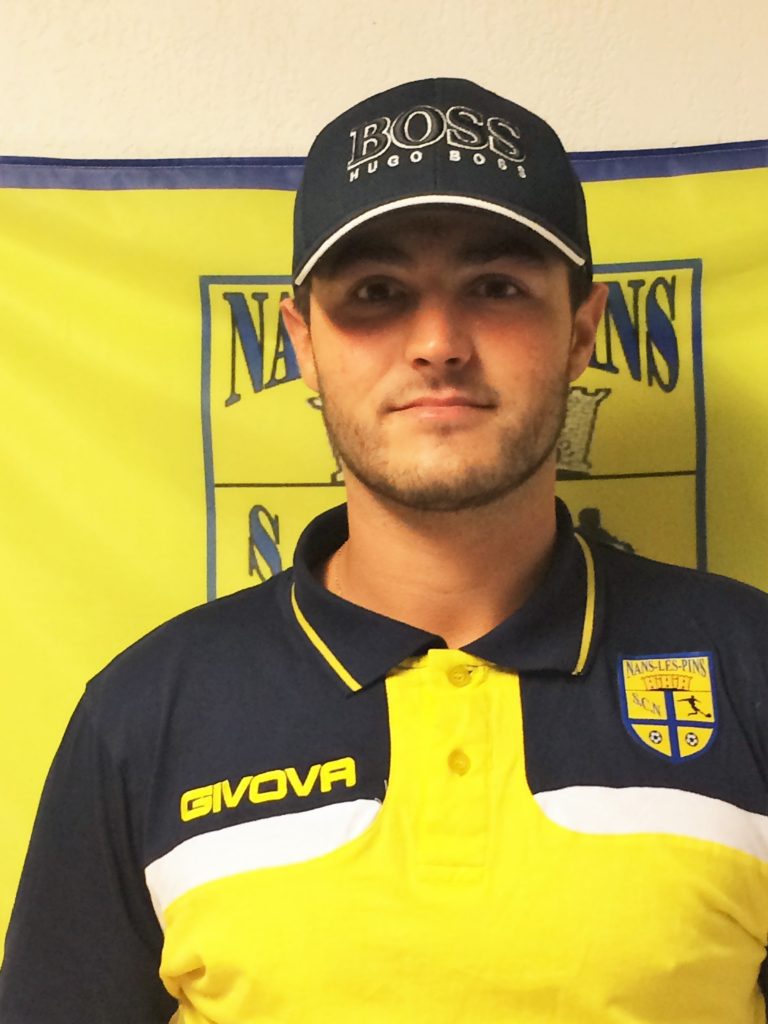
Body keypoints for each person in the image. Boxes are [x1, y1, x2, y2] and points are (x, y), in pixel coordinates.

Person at [1, 77, 767, 1024]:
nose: (438, 343)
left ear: (580, 332)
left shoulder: (751, 667)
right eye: (376, 294)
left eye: (496, 287)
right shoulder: (143, 716)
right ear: (302, 343)